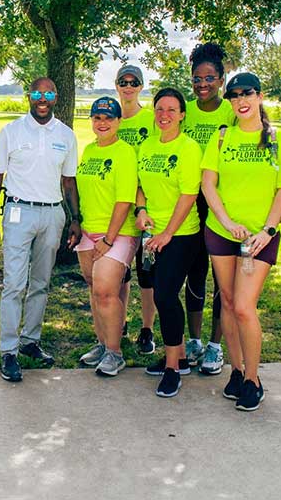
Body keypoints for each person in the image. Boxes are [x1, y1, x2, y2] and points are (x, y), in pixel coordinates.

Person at [200, 72, 281, 412]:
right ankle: (237, 372)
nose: (240, 100)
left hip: (261, 237)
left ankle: (254, 379)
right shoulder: (222, 137)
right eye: (234, 96)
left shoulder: (279, 140)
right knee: (226, 302)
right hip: (222, 232)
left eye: (247, 93)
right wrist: (227, 222)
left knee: (243, 306)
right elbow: (208, 184)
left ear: (259, 96)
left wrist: (267, 230)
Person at [0, 77, 81, 382]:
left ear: (55, 97)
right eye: (37, 93)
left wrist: (75, 218)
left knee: (41, 282)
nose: (42, 98)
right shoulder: (12, 131)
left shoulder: (65, 135)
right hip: (17, 211)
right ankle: (9, 351)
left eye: (49, 93)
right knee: (14, 283)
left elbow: (69, 181)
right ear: (29, 96)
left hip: (52, 215)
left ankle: (30, 341)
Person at [135, 88, 203, 397]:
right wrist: (141, 211)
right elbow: (139, 186)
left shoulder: (188, 148)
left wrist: (167, 234)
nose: (164, 115)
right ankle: (181, 357)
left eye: (171, 110)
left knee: (164, 296)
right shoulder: (147, 146)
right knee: (158, 294)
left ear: (182, 114)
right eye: (160, 109)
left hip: (182, 236)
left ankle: (173, 369)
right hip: (151, 235)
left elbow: (189, 195)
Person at [179, 42, 236, 376]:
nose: (203, 84)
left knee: (222, 278)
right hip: (191, 203)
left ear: (221, 79)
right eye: (197, 78)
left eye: (209, 78)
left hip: (222, 204)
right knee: (194, 273)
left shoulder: (231, 112)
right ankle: (195, 340)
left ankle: (216, 346)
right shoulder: (185, 111)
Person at [75, 97, 138, 376]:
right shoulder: (88, 150)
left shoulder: (124, 152)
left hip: (118, 232)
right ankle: (102, 343)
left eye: (108, 118)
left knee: (105, 290)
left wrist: (109, 239)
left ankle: (115, 352)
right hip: (89, 231)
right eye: (97, 118)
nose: (102, 123)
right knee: (93, 288)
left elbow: (124, 201)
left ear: (118, 122)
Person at [113, 64, 157, 355]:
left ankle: (147, 329)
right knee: (119, 271)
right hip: (117, 205)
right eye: (123, 82)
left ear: (141, 86)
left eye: (134, 82)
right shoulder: (112, 119)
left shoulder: (151, 119)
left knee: (146, 270)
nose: (128, 87)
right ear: (116, 85)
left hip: (147, 207)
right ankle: (119, 320)